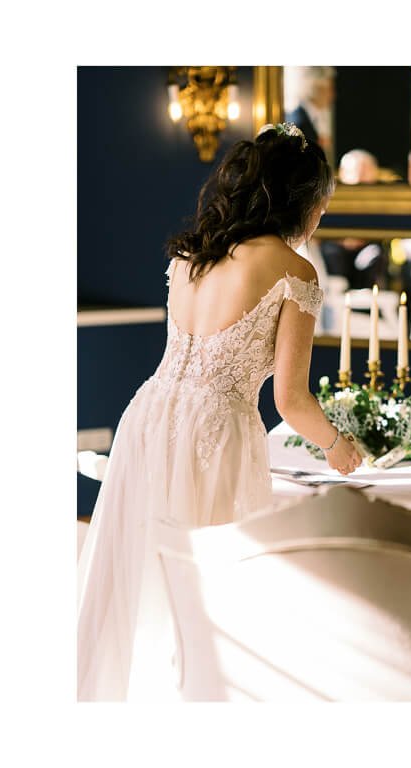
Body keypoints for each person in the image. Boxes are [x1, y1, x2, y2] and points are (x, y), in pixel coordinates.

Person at [76, 122, 363, 701]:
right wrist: (338, 445)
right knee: (211, 581)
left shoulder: (190, 257)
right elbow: (291, 400)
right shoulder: (295, 272)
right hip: (217, 430)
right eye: (322, 204)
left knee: (145, 567)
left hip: (149, 415)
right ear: (303, 201)